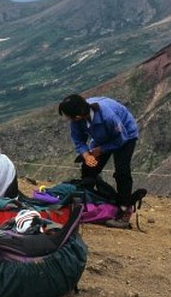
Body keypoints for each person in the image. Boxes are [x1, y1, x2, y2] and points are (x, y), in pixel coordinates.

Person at [58, 93, 139, 229]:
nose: (67, 119)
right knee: (89, 168)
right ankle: (87, 201)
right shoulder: (78, 119)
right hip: (102, 138)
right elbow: (78, 140)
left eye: (68, 116)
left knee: (122, 172)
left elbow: (121, 138)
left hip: (126, 136)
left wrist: (101, 150)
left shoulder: (107, 116)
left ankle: (125, 211)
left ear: (77, 116)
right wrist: (86, 155)